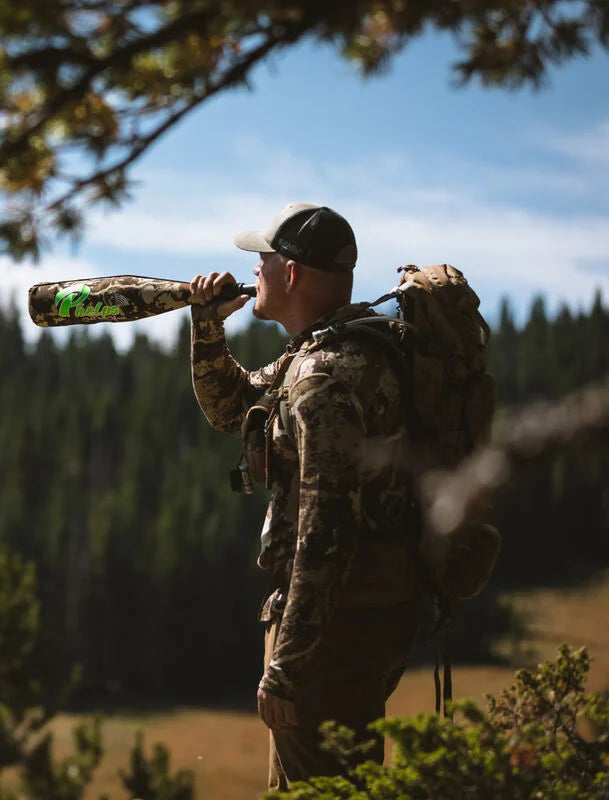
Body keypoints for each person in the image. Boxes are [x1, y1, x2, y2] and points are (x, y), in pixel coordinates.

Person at [189, 202, 422, 790]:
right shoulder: (327, 353)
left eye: (262, 260)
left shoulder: (322, 378)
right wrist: (207, 324)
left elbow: (326, 530)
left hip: (332, 633)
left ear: (290, 274)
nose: (253, 271)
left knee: (321, 789)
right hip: (355, 620)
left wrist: (288, 667)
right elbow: (231, 407)